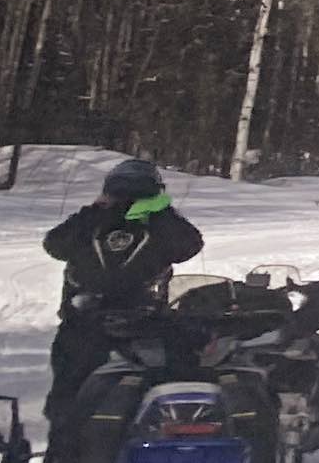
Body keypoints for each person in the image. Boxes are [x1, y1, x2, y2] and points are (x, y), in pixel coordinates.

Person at [42, 155, 203, 410]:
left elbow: (189, 244)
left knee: (73, 399)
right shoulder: (97, 221)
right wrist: (95, 212)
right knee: (70, 399)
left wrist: (159, 212)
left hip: (137, 322)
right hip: (95, 322)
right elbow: (55, 244)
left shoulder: (154, 224)